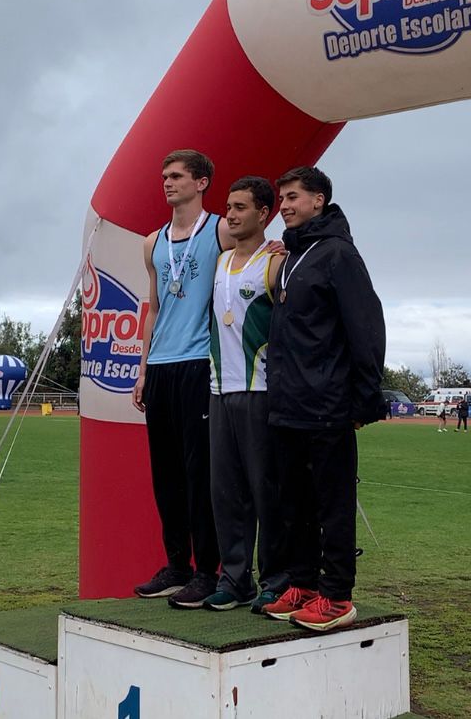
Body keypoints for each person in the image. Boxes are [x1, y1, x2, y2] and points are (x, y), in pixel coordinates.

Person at [262, 166, 386, 632]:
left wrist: (363, 400)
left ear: (319, 200)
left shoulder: (338, 254)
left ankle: (336, 595)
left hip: (328, 404)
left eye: (293, 197)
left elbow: (366, 329)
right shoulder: (293, 254)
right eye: (282, 199)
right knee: (293, 504)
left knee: (332, 504)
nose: (285, 206)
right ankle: (303, 584)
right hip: (289, 404)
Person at [131, 149, 231, 609]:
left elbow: (252, 261)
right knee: (165, 474)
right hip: (161, 367)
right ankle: (177, 566)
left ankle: (209, 571)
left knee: (199, 473)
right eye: (164, 176)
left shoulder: (220, 230)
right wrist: (142, 368)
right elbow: (152, 307)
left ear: (201, 182)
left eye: (176, 176)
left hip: (199, 364)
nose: (167, 183)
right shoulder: (152, 242)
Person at [202, 176, 288, 614]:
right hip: (220, 390)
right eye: (228, 207)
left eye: (240, 207)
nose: (231, 215)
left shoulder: (274, 262)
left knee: (266, 491)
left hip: (260, 391)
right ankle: (235, 580)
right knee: (226, 492)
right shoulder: (220, 262)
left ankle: (276, 579)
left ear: (263, 213)